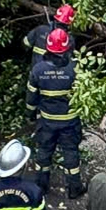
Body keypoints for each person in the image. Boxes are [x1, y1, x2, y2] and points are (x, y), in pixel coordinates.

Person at [29, 27, 85, 200]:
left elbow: (31, 98)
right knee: (70, 153)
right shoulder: (76, 69)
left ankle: (41, 187)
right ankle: (74, 188)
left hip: (47, 121)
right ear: (67, 48)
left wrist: (30, 115)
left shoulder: (38, 70)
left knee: (44, 152)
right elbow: (84, 95)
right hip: (70, 121)